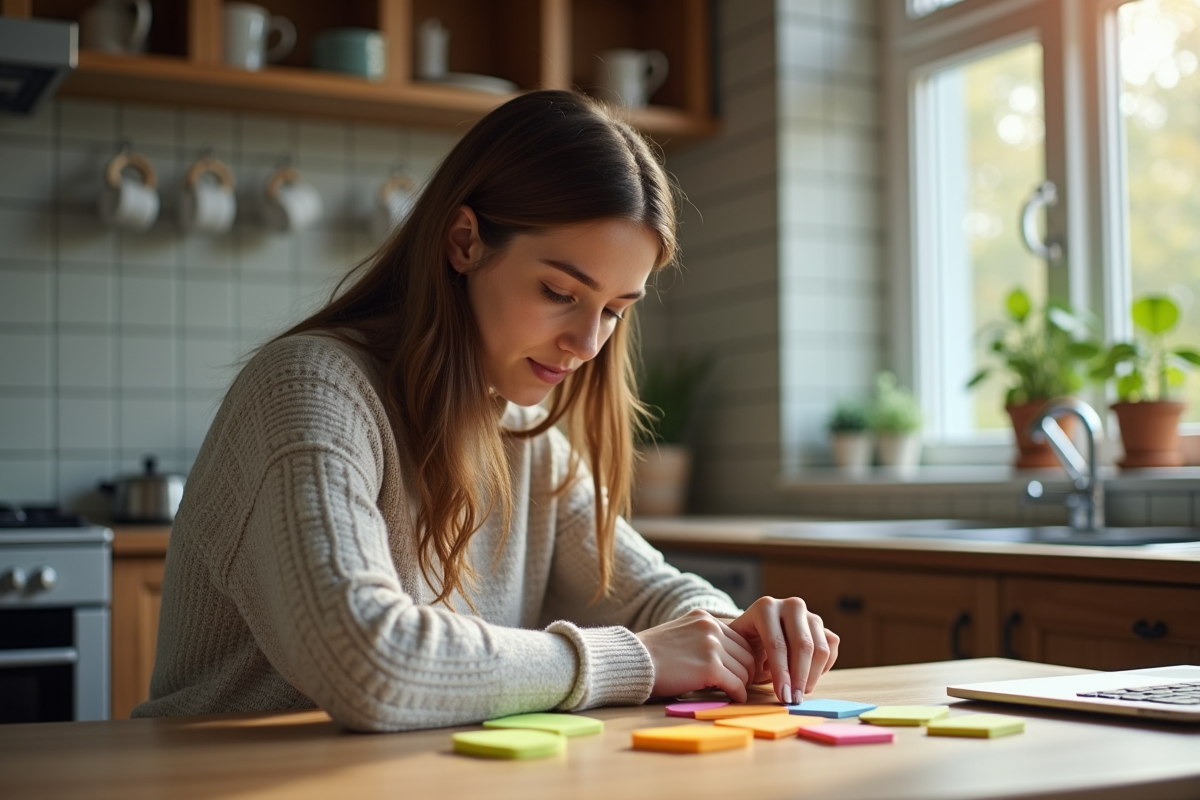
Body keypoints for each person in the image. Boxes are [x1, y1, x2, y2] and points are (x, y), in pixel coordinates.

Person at [133, 90, 839, 731]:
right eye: (561, 292)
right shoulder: (308, 388)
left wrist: (731, 627)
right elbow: (369, 661)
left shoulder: (526, 433)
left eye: (615, 311)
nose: (587, 343)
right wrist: (639, 660)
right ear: (464, 241)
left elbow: (646, 590)